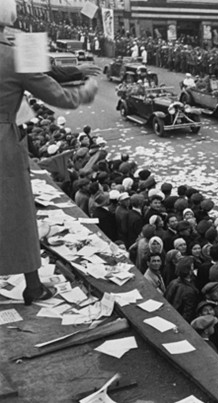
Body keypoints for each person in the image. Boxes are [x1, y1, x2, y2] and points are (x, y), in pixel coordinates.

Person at [0, 0, 98, 305]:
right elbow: (57, 95)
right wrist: (86, 91)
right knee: (17, 212)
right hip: (2, 143)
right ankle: (33, 286)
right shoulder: (11, 56)